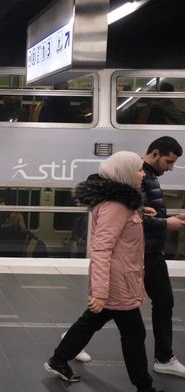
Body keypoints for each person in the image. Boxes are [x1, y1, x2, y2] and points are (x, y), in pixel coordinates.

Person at [44, 151, 162, 392]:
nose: (143, 174)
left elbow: (118, 229)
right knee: (134, 335)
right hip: (117, 281)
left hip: (118, 280)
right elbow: (101, 248)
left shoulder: (122, 203)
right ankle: (145, 387)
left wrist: (140, 211)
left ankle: (58, 360)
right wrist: (99, 292)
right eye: (139, 170)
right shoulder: (116, 206)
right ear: (125, 173)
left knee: (91, 322)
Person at [140, 136, 185, 376]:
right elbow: (133, 218)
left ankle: (164, 357)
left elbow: (150, 214)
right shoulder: (138, 176)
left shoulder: (150, 177)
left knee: (113, 306)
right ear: (155, 153)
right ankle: (164, 359)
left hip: (151, 250)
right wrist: (166, 223)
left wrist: (172, 217)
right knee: (162, 302)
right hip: (143, 252)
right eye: (168, 161)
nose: (171, 167)